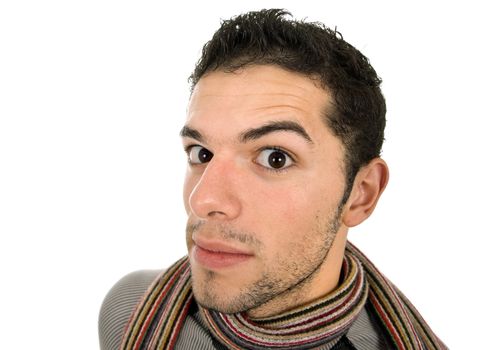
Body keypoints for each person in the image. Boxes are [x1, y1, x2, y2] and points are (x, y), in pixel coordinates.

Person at [99, 9, 447, 350]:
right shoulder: (131, 307)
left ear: (360, 194)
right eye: (201, 153)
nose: (204, 201)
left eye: (274, 158)